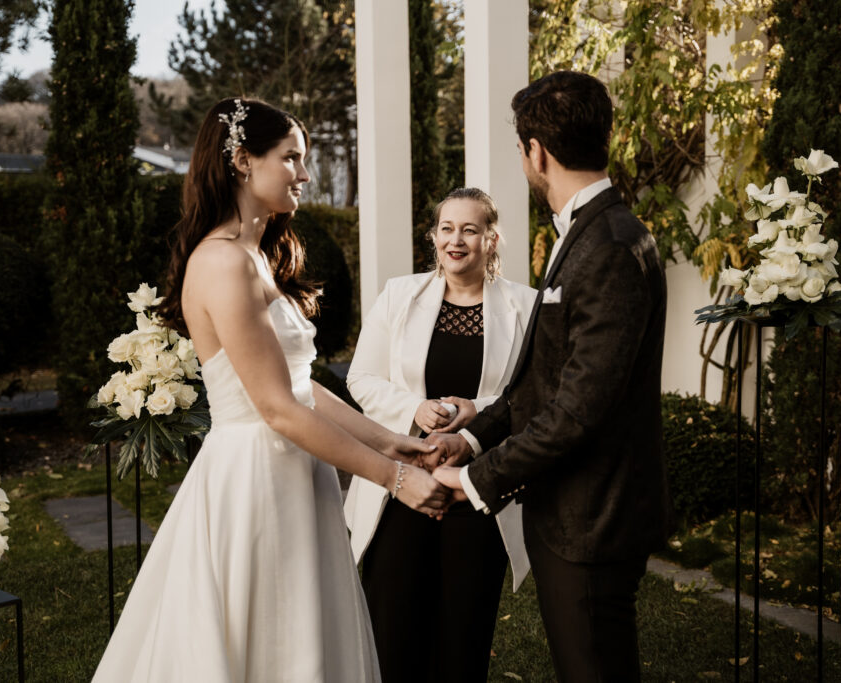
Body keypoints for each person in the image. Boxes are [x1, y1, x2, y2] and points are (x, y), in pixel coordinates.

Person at [92, 97, 447, 682]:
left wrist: (394, 443)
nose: (304, 175)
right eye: (291, 159)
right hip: (254, 478)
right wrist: (396, 481)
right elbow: (278, 409)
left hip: (295, 471)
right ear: (240, 160)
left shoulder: (256, 256)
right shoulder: (222, 262)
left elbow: (300, 386)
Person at [431, 71, 674, 682]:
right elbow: (542, 375)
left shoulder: (612, 245)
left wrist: (474, 479)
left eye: (520, 150)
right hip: (571, 511)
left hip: (592, 517)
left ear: (535, 152)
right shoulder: (590, 233)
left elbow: (579, 408)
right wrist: (474, 435)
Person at [342, 187, 538, 682]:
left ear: (491, 239)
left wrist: (479, 409)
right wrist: (415, 408)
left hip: (478, 493)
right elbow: (360, 379)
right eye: (447, 229)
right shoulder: (398, 295)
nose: (457, 240)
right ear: (433, 237)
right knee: (392, 629)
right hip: (401, 487)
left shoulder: (525, 307)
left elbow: (535, 395)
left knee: (463, 637)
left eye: (470, 229)